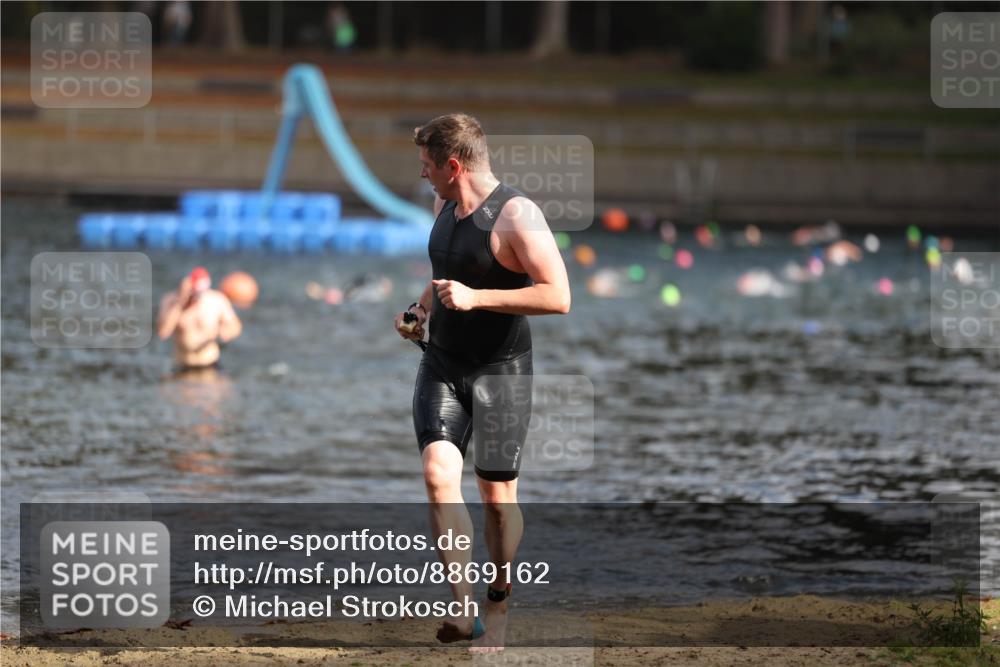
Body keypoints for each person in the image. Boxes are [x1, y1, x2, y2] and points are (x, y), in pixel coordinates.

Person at [394, 114, 571, 652]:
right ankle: (462, 607)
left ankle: (498, 595)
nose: (422, 174)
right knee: (437, 473)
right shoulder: (443, 206)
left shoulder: (518, 215)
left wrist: (477, 298)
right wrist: (420, 309)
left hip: (501, 371)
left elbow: (558, 295)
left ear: (453, 166)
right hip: (443, 363)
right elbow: (446, 273)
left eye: (427, 165)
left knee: (497, 500)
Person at [157, 267, 242, 371]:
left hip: (209, 362)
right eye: (194, 293)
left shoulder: (217, 300)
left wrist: (226, 332)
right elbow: (163, 333)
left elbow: (235, 326)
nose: (196, 297)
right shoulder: (171, 300)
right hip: (182, 363)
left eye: (200, 293)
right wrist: (180, 302)